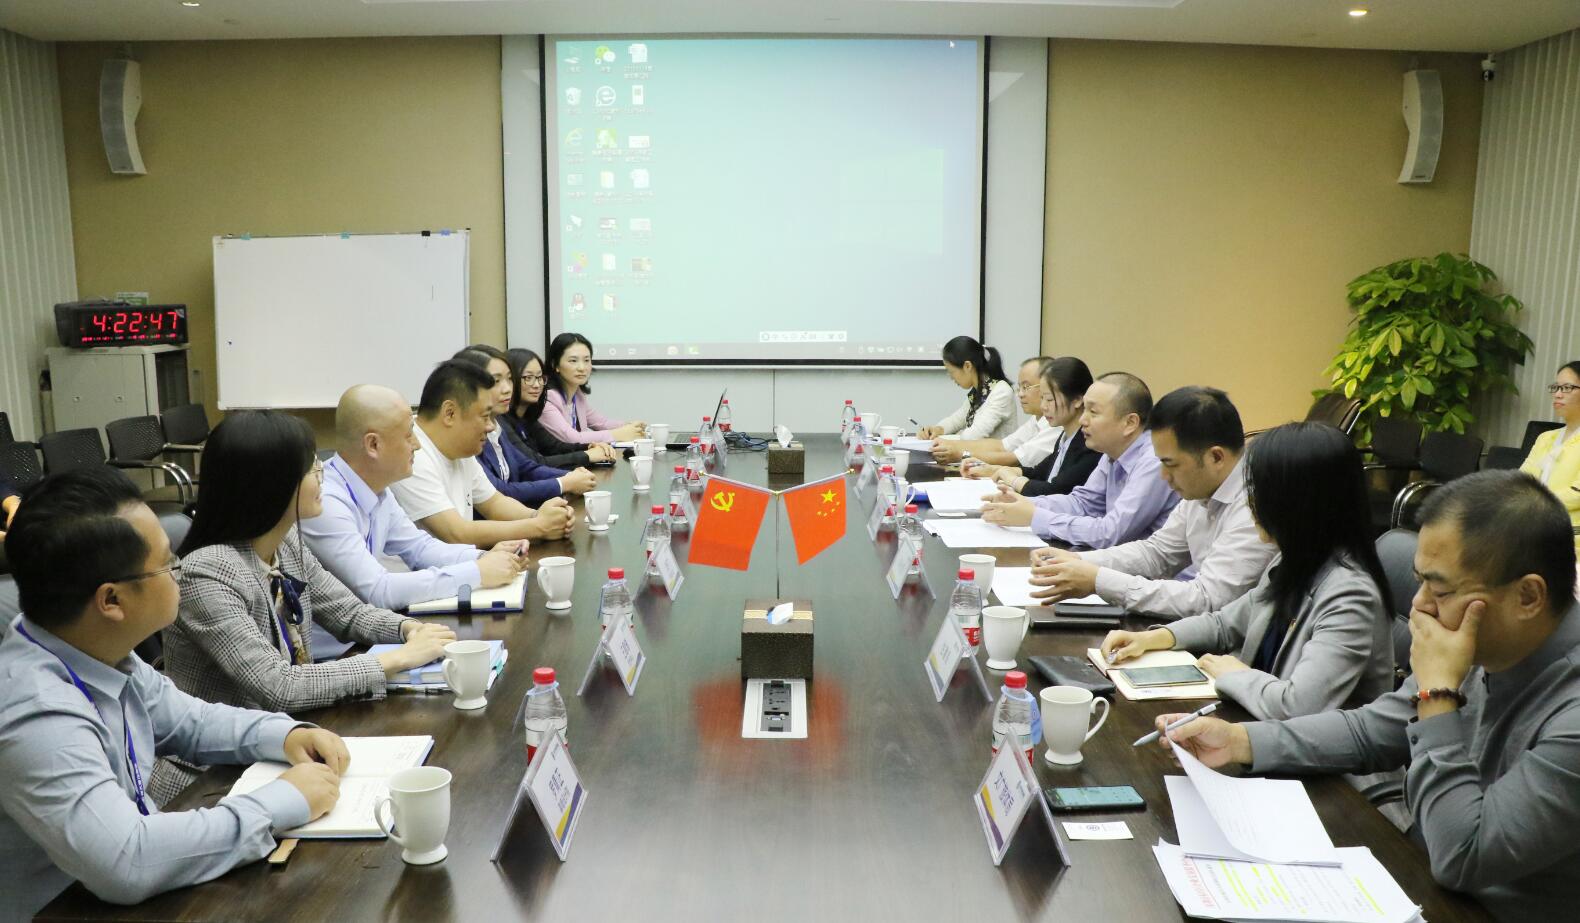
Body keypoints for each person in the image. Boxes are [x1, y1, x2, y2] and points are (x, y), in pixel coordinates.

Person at [1156, 471, 1580, 920]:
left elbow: (1463, 855)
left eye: (1439, 590)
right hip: (1417, 872)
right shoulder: (1481, 642)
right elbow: (1372, 730)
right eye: (1419, 582)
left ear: (1528, 596)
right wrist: (1241, 741)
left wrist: (1437, 695)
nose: (1419, 606)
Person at [0, 468, 348, 921]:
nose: (180, 573)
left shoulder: (89, 644)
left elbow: (191, 723)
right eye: (168, 564)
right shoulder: (36, 711)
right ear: (111, 601)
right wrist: (281, 801)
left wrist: (284, 734)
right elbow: (127, 860)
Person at [157, 411, 456, 801]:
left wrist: (406, 630)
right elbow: (279, 686)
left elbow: (348, 613)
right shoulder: (206, 573)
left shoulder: (285, 544)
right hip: (210, 778)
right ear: (271, 484)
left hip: (286, 744)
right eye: (312, 468)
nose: (322, 475)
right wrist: (397, 658)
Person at [1099, 423, 1391, 718]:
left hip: (1310, 745)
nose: (1250, 503)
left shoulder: (1351, 596)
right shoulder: (1292, 560)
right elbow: (1225, 624)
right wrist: (1155, 638)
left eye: (1258, 491)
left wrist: (1236, 674)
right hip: (1257, 723)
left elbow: (1297, 706)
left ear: (1300, 503)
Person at [1030, 386, 1276, 621]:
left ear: (1216, 457)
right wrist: (1079, 562)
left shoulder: (1255, 506)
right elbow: (1157, 553)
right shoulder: (1201, 489)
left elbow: (1207, 599)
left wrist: (1098, 580)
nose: (1164, 476)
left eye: (1171, 464)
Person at [300, 384, 529, 611]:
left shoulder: (378, 487)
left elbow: (419, 548)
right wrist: (477, 572)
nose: (417, 445)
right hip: (347, 635)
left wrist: (484, 557)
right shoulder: (326, 502)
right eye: (409, 435)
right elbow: (378, 590)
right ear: (373, 444)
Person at [981, 372, 1178, 549]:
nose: (1083, 420)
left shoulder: (1153, 461)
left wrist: (1034, 516)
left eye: (1093, 412)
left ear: (1130, 423)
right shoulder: (1112, 452)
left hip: (1154, 574)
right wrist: (1023, 503)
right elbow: (1083, 503)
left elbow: (1111, 533)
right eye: (1084, 410)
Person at [391, 360, 575, 546]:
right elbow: (456, 534)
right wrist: (539, 526)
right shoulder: (411, 455)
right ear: (450, 413)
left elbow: (494, 503)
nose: (491, 427)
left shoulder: (458, 446)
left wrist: (540, 516)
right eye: (485, 416)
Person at [453, 345, 598, 505]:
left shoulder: (497, 424)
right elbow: (500, 492)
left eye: (509, 379)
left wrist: (571, 477)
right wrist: (564, 483)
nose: (507, 389)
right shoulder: (468, 435)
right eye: (496, 381)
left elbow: (526, 467)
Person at [967, 356, 1101, 498]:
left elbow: (1055, 491)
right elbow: (1038, 472)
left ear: (1077, 400)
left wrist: (1013, 480)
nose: (1043, 406)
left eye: (1049, 399)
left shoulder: (1090, 445)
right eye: (1042, 398)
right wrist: (993, 470)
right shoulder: (1066, 436)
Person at [931, 357, 1061, 467]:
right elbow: (1001, 446)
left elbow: (1015, 458)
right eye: (1019, 387)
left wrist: (961, 454)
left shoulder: (1056, 424)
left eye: (1026, 387)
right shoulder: (1036, 419)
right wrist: (949, 444)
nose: (1020, 394)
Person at [502, 347, 618, 469]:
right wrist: (587, 455)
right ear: (510, 380)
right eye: (528, 378)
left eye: (539, 377)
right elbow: (535, 462)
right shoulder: (502, 421)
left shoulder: (528, 417)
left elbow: (555, 447)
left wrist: (590, 447)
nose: (537, 385)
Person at [539, 332, 646, 445]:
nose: (582, 368)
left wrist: (629, 426)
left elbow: (601, 423)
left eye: (586, 360)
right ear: (555, 365)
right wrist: (618, 434)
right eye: (573, 361)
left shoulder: (577, 395)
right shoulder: (546, 398)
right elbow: (572, 438)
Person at [1520, 360, 1580, 555]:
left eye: (1567, 388)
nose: (1558, 394)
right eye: (1556, 387)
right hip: (1534, 527)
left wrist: (1536, 503)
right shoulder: (1545, 438)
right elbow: (1522, 479)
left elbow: (1577, 495)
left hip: (1571, 538)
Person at [916, 335, 1017, 442]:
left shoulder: (1001, 392)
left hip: (992, 453)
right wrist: (937, 429)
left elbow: (973, 436)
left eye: (951, 372)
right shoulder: (979, 392)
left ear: (967, 366)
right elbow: (955, 421)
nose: (951, 377)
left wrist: (946, 439)